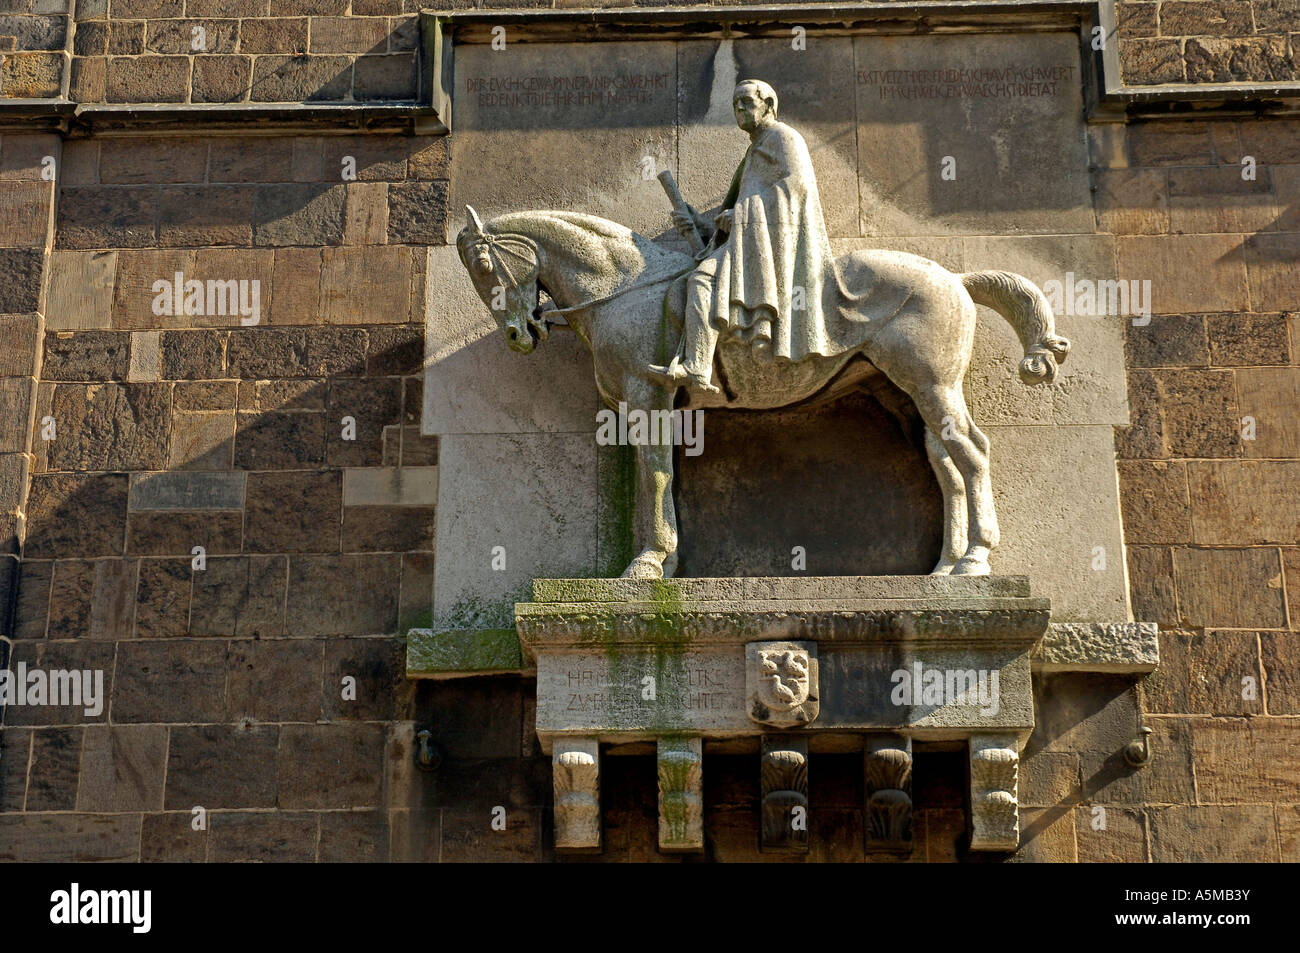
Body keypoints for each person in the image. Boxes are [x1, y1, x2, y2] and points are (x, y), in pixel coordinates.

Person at [648, 79, 838, 394]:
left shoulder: (783, 137)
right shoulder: (754, 151)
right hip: (751, 242)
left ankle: (696, 365)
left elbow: (797, 186)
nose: (739, 108)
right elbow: (733, 220)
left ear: (769, 105)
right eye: (735, 103)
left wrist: (743, 214)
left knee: (702, 281)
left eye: (747, 102)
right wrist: (699, 223)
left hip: (775, 247)